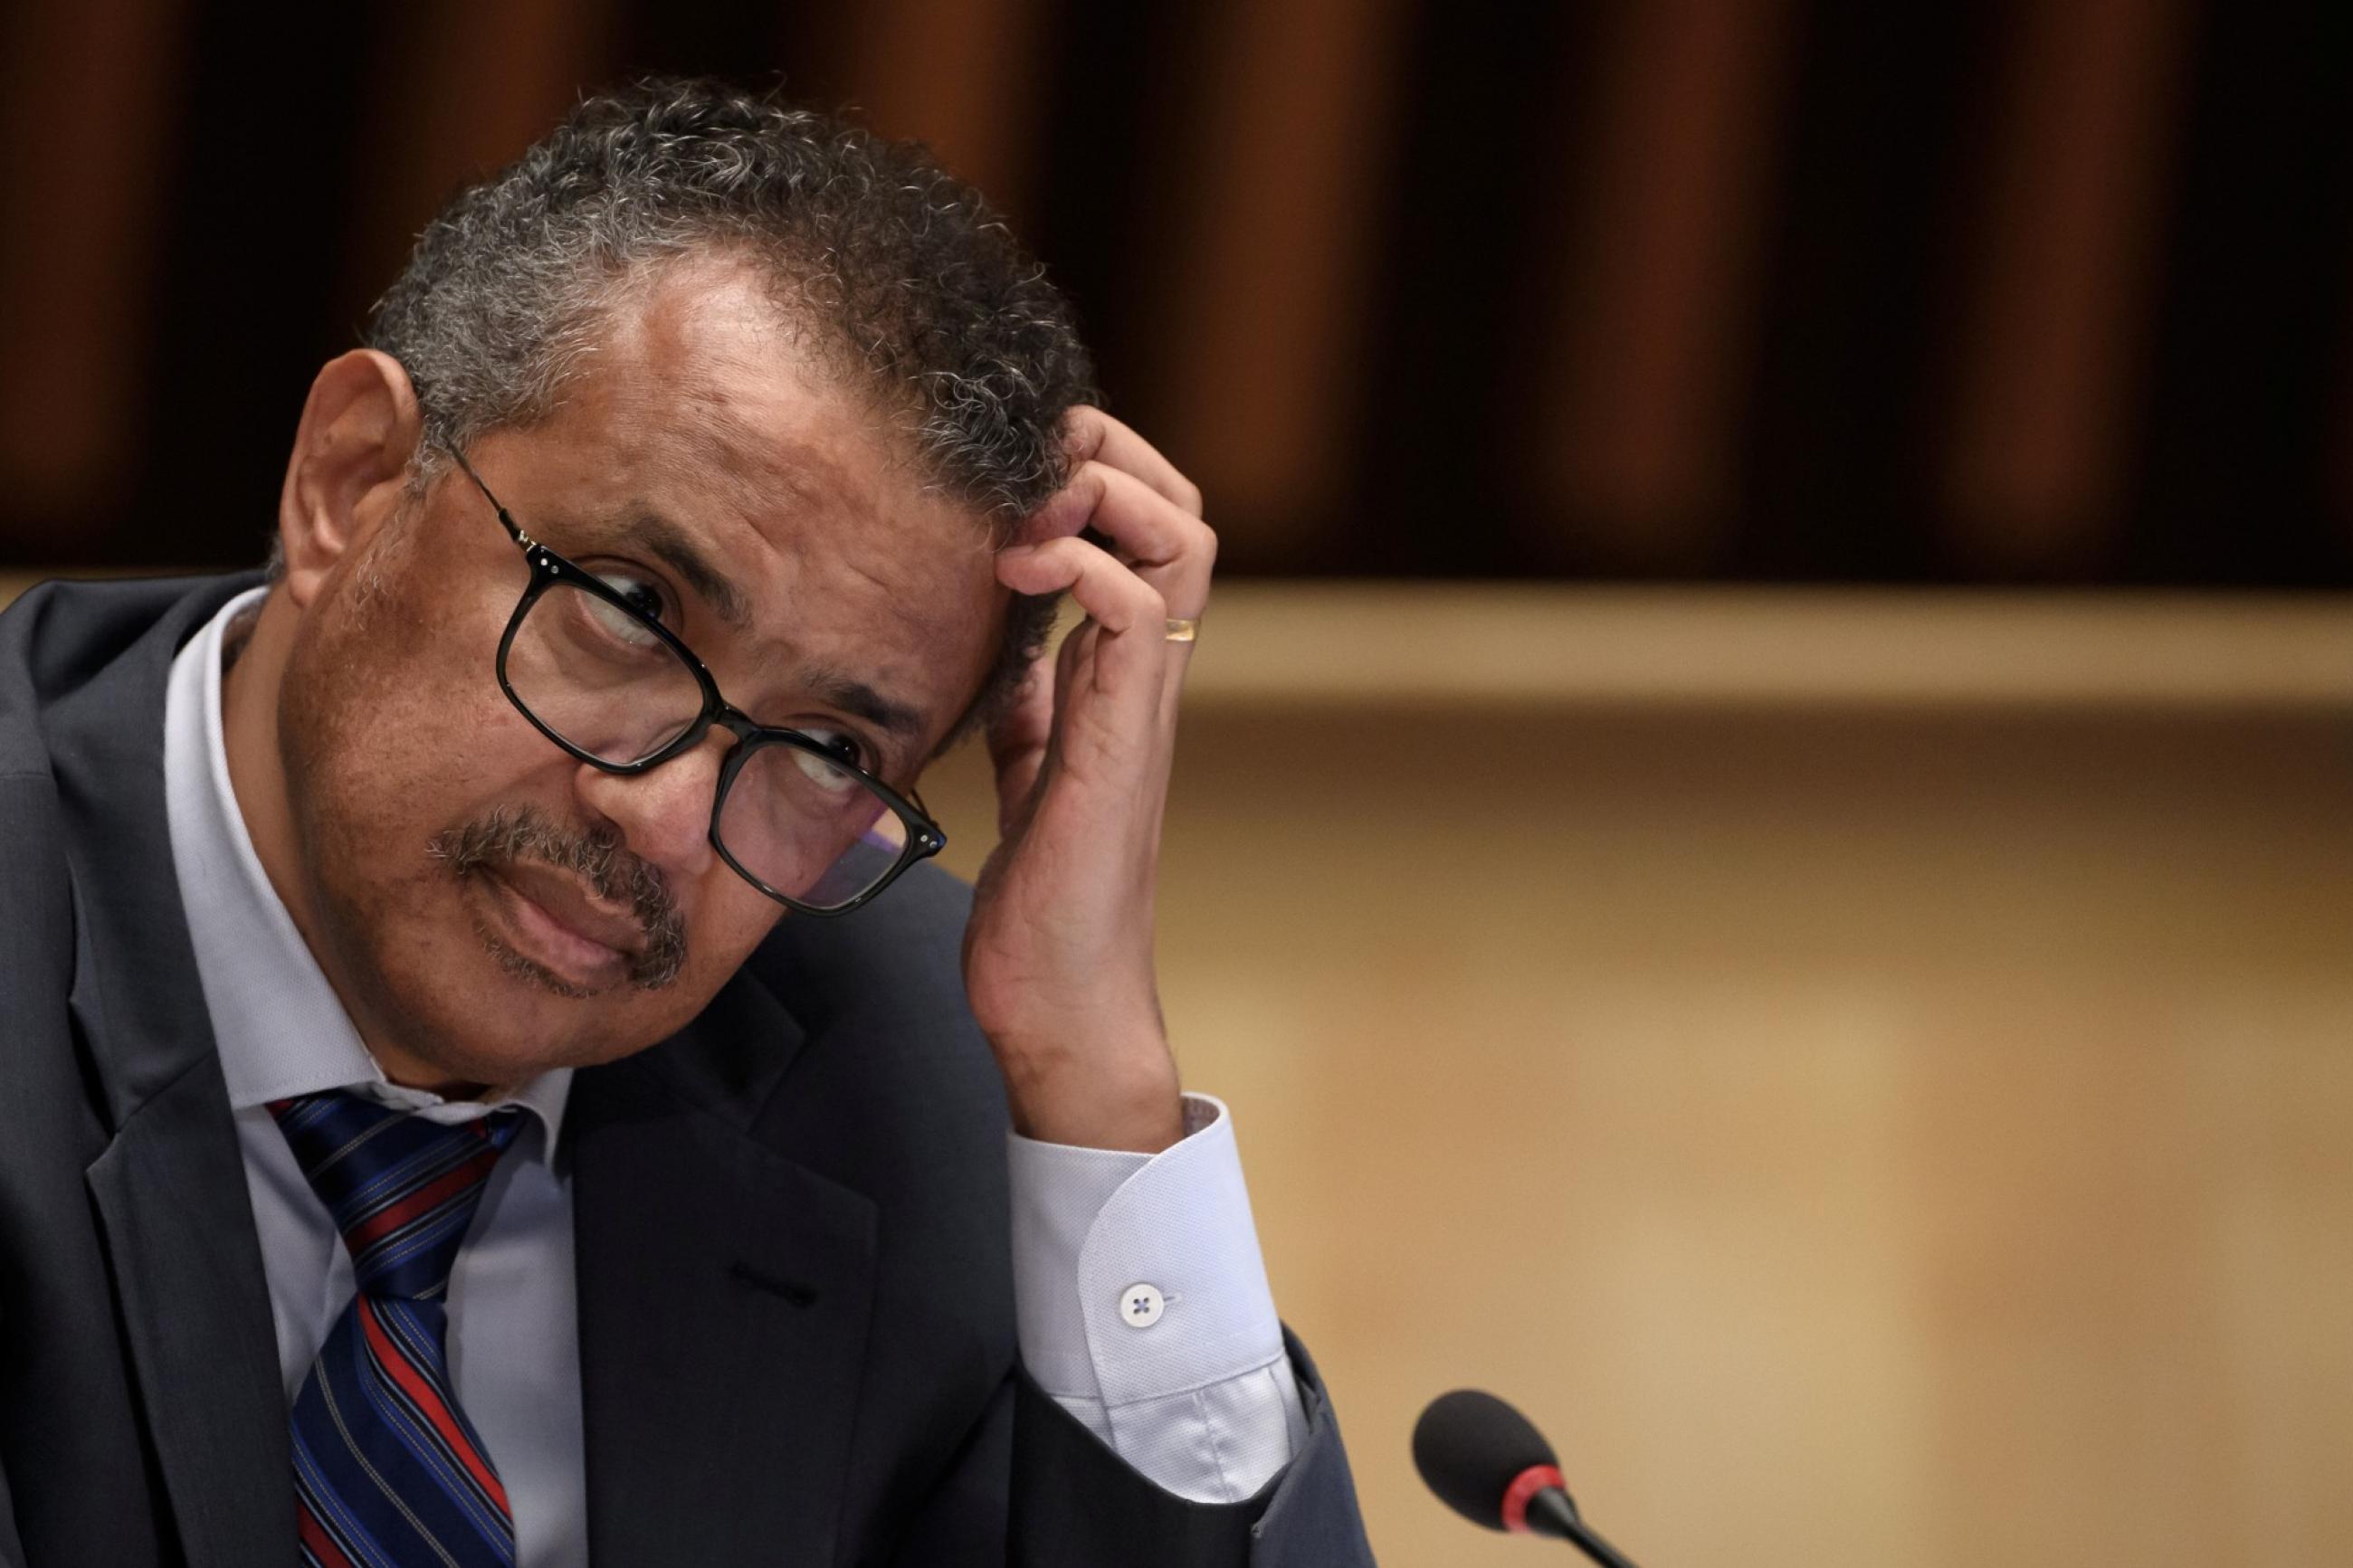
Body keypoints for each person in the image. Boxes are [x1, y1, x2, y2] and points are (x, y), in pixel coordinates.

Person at [0, 80, 1374, 1567]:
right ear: (353, 479)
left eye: (831, 747)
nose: (662, 814)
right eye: (631, 609)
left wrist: (1092, 1077)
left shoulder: (904, 1083)